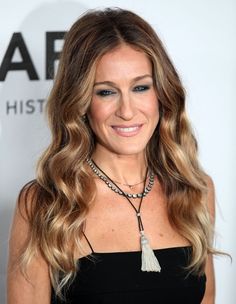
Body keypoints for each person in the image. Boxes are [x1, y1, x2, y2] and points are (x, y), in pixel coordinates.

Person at [7, 7, 217, 304]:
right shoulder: (46, 204)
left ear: (162, 93)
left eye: (141, 87)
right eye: (106, 92)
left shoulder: (195, 191)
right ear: (80, 101)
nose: (127, 111)